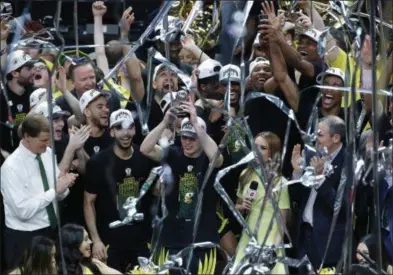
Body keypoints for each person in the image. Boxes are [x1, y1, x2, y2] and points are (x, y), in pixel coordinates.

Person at [140, 99, 223, 273]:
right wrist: (164, 122)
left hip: (202, 238)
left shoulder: (208, 159)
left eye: (193, 138)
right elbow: (145, 149)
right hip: (172, 237)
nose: (188, 142)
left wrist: (195, 122)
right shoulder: (172, 154)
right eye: (184, 137)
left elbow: (218, 158)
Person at [1, 114, 77, 270]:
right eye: (43, 140)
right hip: (24, 238)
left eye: (48, 139)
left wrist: (64, 184)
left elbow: (57, 193)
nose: (47, 143)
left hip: (51, 231)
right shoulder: (11, 168)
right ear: (27, 137)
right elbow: (22, 211)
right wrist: (55, 190)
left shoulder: (47, 153)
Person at [84, 109, 156, 271]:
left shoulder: (146, 157)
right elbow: (89, 202)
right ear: (111, 132)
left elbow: (156, 194)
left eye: (129, 127)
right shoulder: (98, 163)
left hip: (142, 239)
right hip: (111, 241)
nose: (125, 133)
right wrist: (96, 240)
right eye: (119, 128)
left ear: (135, 130)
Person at [291, 115, 348, 271]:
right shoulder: (310, 155)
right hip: (304, 235)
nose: (316, 138)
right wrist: (296, 174)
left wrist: (320, 179)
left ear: (336, 137)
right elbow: (296, 197)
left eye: (320, 135)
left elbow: (342, 207)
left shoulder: (349, 163)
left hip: (327, 242)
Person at [234, 131, 290, 274]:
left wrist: (270, 250)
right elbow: (236, 205)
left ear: (272, 152)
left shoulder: (280, 183)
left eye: (263, 148)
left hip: (269, 244)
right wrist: (241, 206)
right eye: (255, 146)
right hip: (248, 239)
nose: (256, 151)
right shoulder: (246, 174)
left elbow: (282, 224)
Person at [0, 50, 35, 153]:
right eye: (29, 68)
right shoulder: (2, 98)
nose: (33, 71)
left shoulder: (36, 93)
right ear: (15, 73)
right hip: (7, 154)